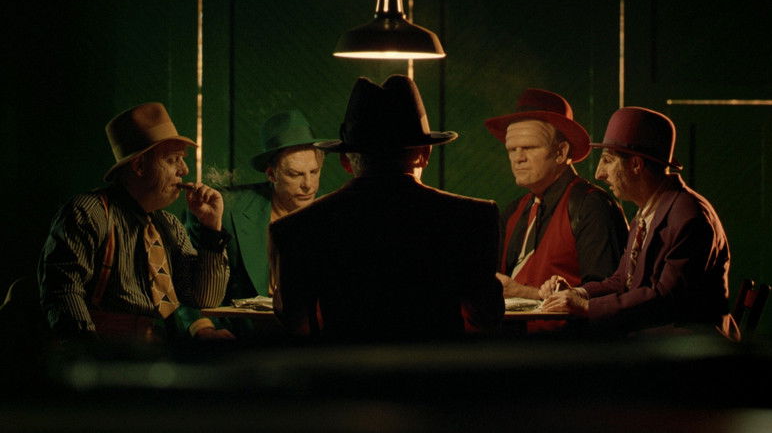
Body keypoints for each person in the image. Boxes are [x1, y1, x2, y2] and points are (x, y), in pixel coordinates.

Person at [270, 75, 505, 341]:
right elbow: (486, 318)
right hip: (436, 366)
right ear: (425, 154)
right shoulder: (473, 218)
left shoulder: (296, 228)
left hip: (345, 366)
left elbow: (295, 323)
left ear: (346, 160)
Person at [38, 102, 230, 343]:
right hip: (110, 351)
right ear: (139, 166)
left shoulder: (169, 225)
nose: (184, 169)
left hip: (162, 352)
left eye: (182, 159)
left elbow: (204, 299)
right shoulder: (89, 213)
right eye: (173, 160)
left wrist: (211, 227)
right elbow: (63, 292)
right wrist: (92, 354)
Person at [540, 107, 731, 335]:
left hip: (688, 347)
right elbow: (621, 280)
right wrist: (577, 293)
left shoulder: (687, 216)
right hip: (653, 338)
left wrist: (587, 307)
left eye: (607, 160)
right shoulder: (648, 211)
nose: (599, 173)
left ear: (636, 165)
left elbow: (666, 299)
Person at [180, 109, 328, 339]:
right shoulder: (225, 210)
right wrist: (204, 329)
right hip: (239, 342)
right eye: (295, 174)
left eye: (314, 172)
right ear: (271, 174)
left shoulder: (330, 216)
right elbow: (184, 286)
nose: (308, 184)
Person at [484, 89, 628, 301]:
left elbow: (606, 295)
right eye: (511, 150)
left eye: (529, 147)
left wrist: (526, 294)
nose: (518, 158)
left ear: (561, 152)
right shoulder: (515, 210)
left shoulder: (591, 205)